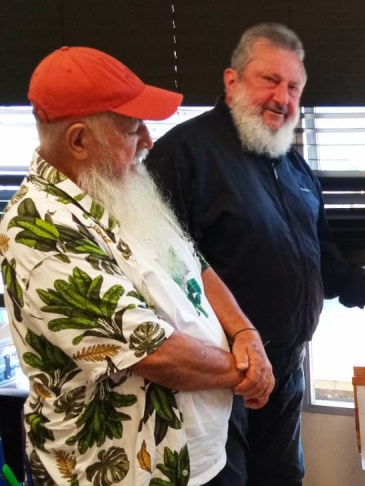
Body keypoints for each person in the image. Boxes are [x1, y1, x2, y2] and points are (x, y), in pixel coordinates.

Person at [144, 23, 365, 486]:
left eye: (293, 86)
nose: (283, 96)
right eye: (269, 80)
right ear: (231, 81)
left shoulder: (291, 163)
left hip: (286, 370)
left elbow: (322, 257)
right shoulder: (184, 154)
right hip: (220, 376)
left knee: (282, 477)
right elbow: (161, 268)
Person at [1, 46, 273, 486]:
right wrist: (248, 372)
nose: (148, 141)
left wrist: (246, 334)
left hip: (204, 447)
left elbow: (193, 265)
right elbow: (151, 350)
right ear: (78, 141)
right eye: (132, 130)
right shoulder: (38, 230)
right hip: (130, 468)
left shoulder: (114, 187)